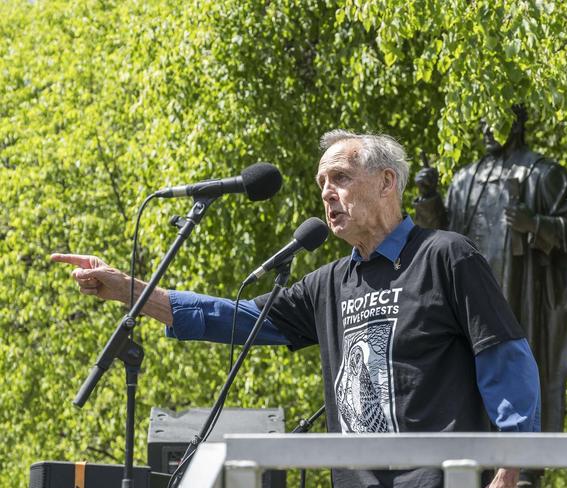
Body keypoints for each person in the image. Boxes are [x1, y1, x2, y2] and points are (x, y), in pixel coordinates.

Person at [53, 130, 541, 488]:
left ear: (387, 181)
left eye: (341, 177)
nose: (327, 192)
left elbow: (504, 356)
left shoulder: (445, 256)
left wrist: (510, 466)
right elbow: (239, 318)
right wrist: (130, 291)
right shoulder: (328, 283)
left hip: (442, 480)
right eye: (321, 181)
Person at [414, 107, 567, 486]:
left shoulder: (543, 175)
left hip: (520, 309)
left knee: (517, 386)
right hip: (465, 319)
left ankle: (519, 467)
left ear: (519, 122)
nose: (489, 128)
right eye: (483, 119)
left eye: (497, 118)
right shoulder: (464, 180)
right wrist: (428, 199)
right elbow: (434, 243)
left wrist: (537, 225)